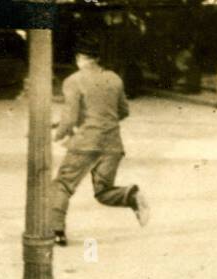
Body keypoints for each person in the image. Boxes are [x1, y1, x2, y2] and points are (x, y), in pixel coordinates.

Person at [49, 37, 149, 248]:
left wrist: (57, 135)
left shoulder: (73, 81)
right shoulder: (114, 79)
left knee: (63, 185)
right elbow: (123, 111)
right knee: (103, 191)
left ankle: (57, 232)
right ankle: (130, 195)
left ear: (79, 58)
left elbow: (70, 119)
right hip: (112, 143)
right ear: (97, 58)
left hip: (86, 143)